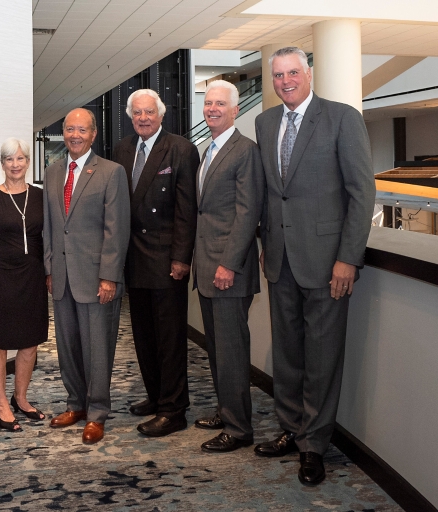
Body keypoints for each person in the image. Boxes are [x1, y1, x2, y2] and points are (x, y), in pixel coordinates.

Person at [254, 47, 375, 485]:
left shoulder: (342, 118)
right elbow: (273, 192)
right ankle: (290, 429)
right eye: (278, 75)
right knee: (288, 353)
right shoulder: (265, 122)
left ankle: (314, 444)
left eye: (292, 73)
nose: (285, 81)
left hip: (328, 263)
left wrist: (348, 257)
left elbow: (362, 192)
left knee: (322, 357)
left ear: (309, 74)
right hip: (280, 258)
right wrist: (268, 240)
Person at [111, 89, 198, 438]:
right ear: (131, 117)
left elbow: (187, 209)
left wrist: (181, 258)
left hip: (166, 261)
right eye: (137, 113)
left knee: (170, 339)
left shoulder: (180, 149)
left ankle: (174, 409)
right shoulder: (122, 149)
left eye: (149, 112)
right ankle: (157, 397)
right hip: (134, 260)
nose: (143, 118)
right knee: (143, 337)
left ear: (161, 115)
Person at [43, 108, 130, 444]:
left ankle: (96, 413)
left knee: (97, 349)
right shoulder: (52, 173)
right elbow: (50, 229)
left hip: (96, 279)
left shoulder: (111, 173)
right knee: (67, 348)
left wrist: (109, 277)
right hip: (62, 278)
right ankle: (75, 404)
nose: (75, 135)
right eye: (69, 129)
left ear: (93, 135)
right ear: (62, 133)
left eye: (82, 130)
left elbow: (116, 230)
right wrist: (49, 269)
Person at [192, 80, 264, 452]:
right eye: (208, 103)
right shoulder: (209, 149)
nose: (212, 109)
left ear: (236, 110)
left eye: (220, 104)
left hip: (228, 270)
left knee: (232, 351)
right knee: (218, 349)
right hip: (207, 267)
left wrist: (229, 264)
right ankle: (226, 410)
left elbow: (248, 212)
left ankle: (239, 429)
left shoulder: (245, 150)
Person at [0, 138, 49, 432]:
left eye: (20, 159)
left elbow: (50, 238)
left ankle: (20, 397)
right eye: (9, 159)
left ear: (28, 162)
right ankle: (1, 403)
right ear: (2, 163)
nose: (15, 165)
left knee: (29, 341)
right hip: (3, 278)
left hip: (33, 276)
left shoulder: (41, 196)